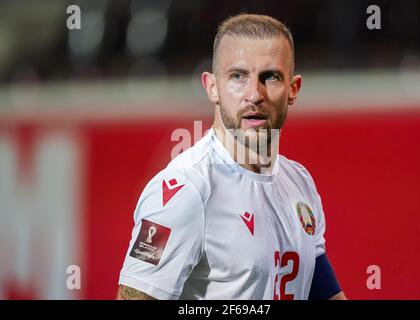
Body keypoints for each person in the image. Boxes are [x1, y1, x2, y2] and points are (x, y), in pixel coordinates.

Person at [117, 13, 346, 300]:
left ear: (293, 89)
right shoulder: (186, 192)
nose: (254, 94)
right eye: (238, 76)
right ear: (212, 87)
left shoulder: (299, 182)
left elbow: (321, 290)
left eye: (270, 77)